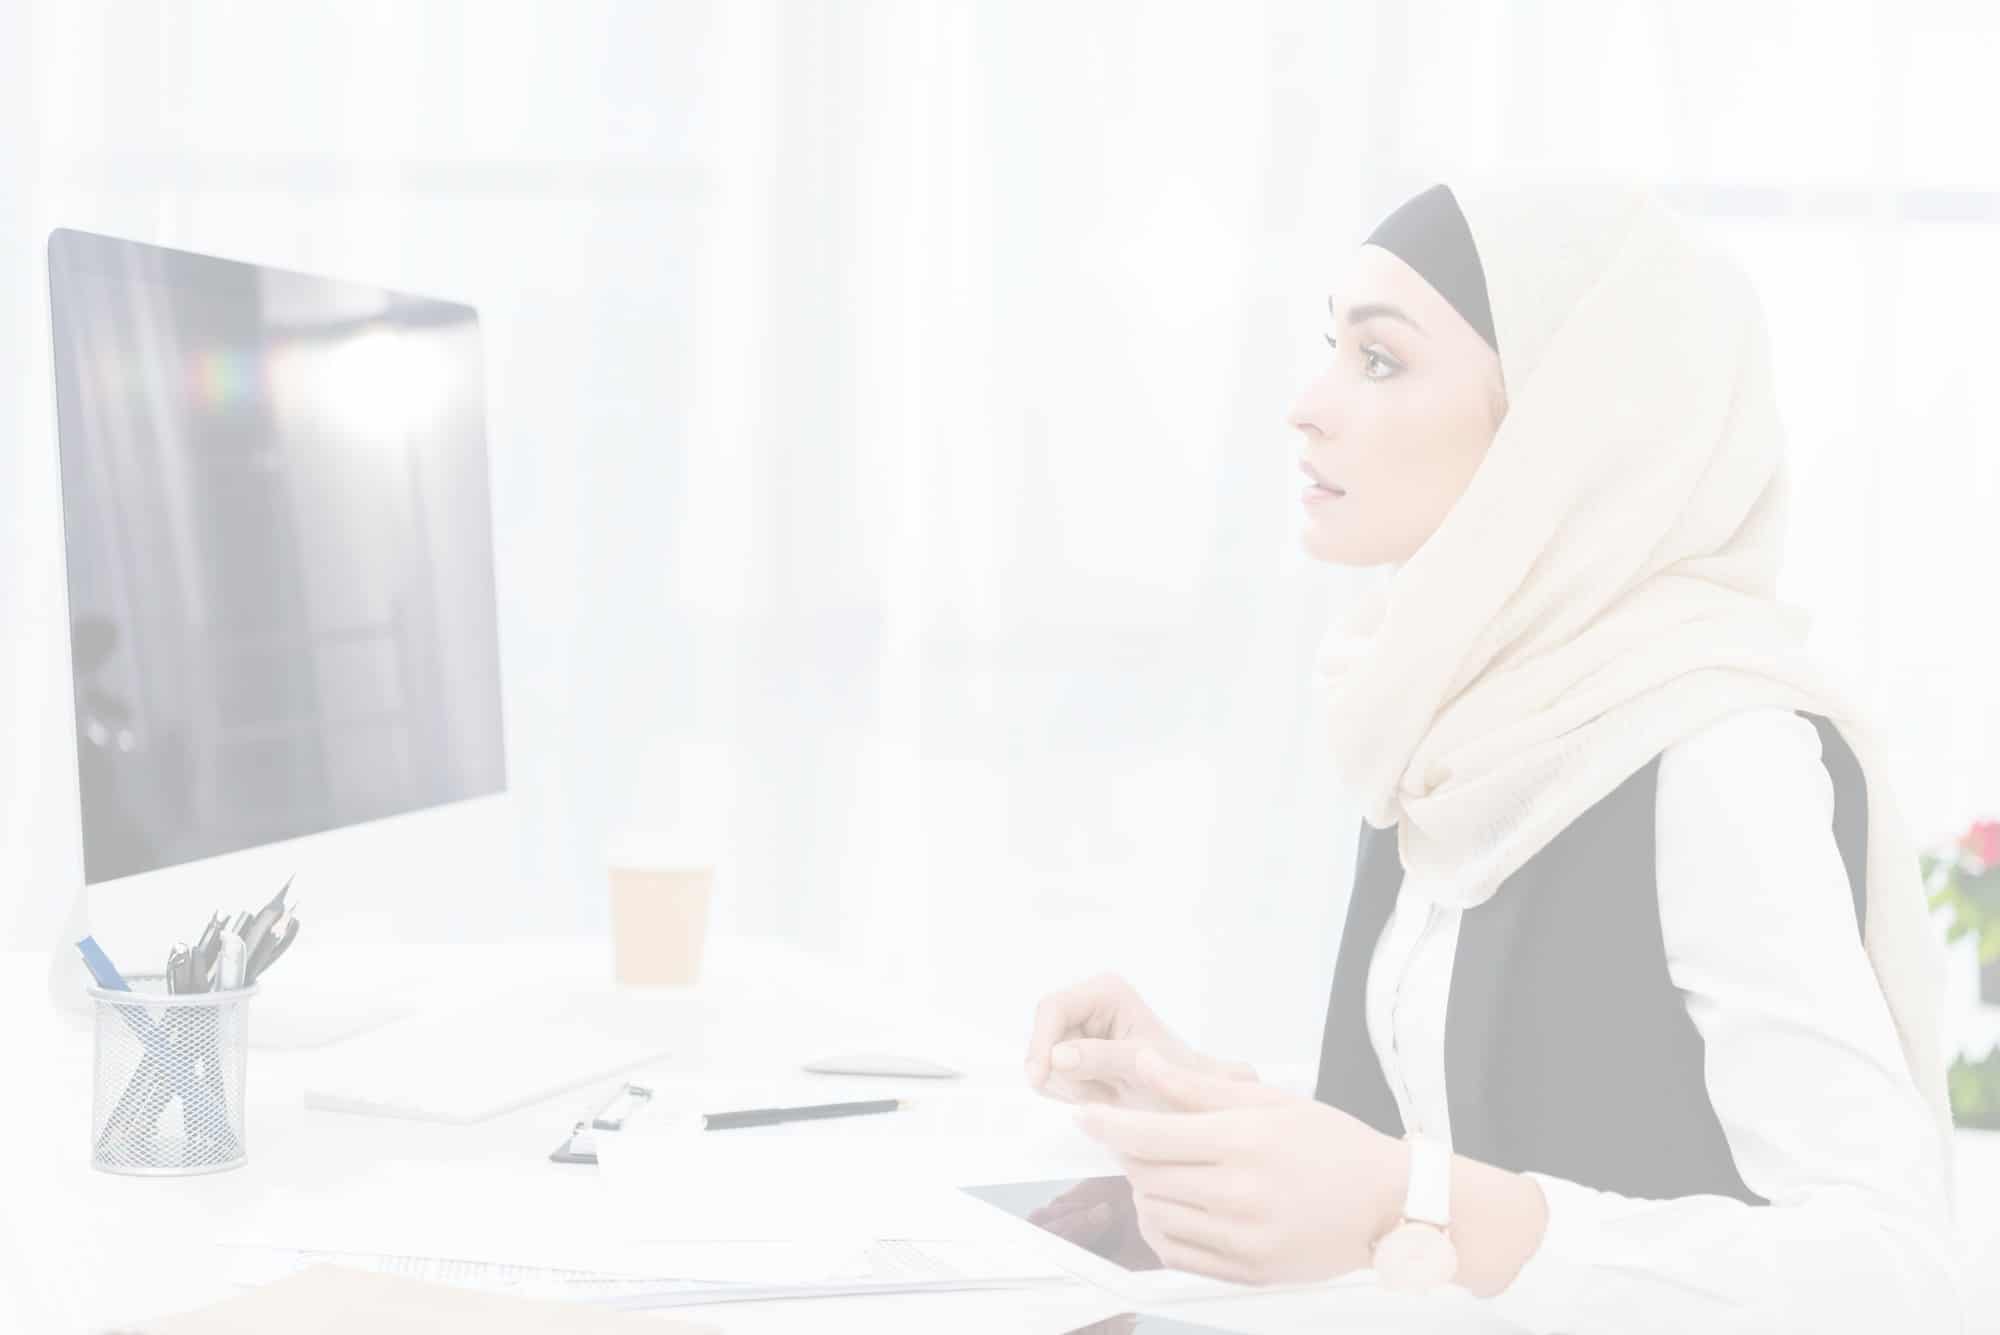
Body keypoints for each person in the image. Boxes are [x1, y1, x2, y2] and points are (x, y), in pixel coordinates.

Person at [1022, 175, 1964, 1333]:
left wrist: (1401, 1206)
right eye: (1332, 347)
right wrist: (1202, 1116)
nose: (1307, 405)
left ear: (1561, 431)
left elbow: (1893, 1272)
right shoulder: (1452, 712)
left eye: (1379, 360)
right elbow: (1472, 1145)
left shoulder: (1713, 748)